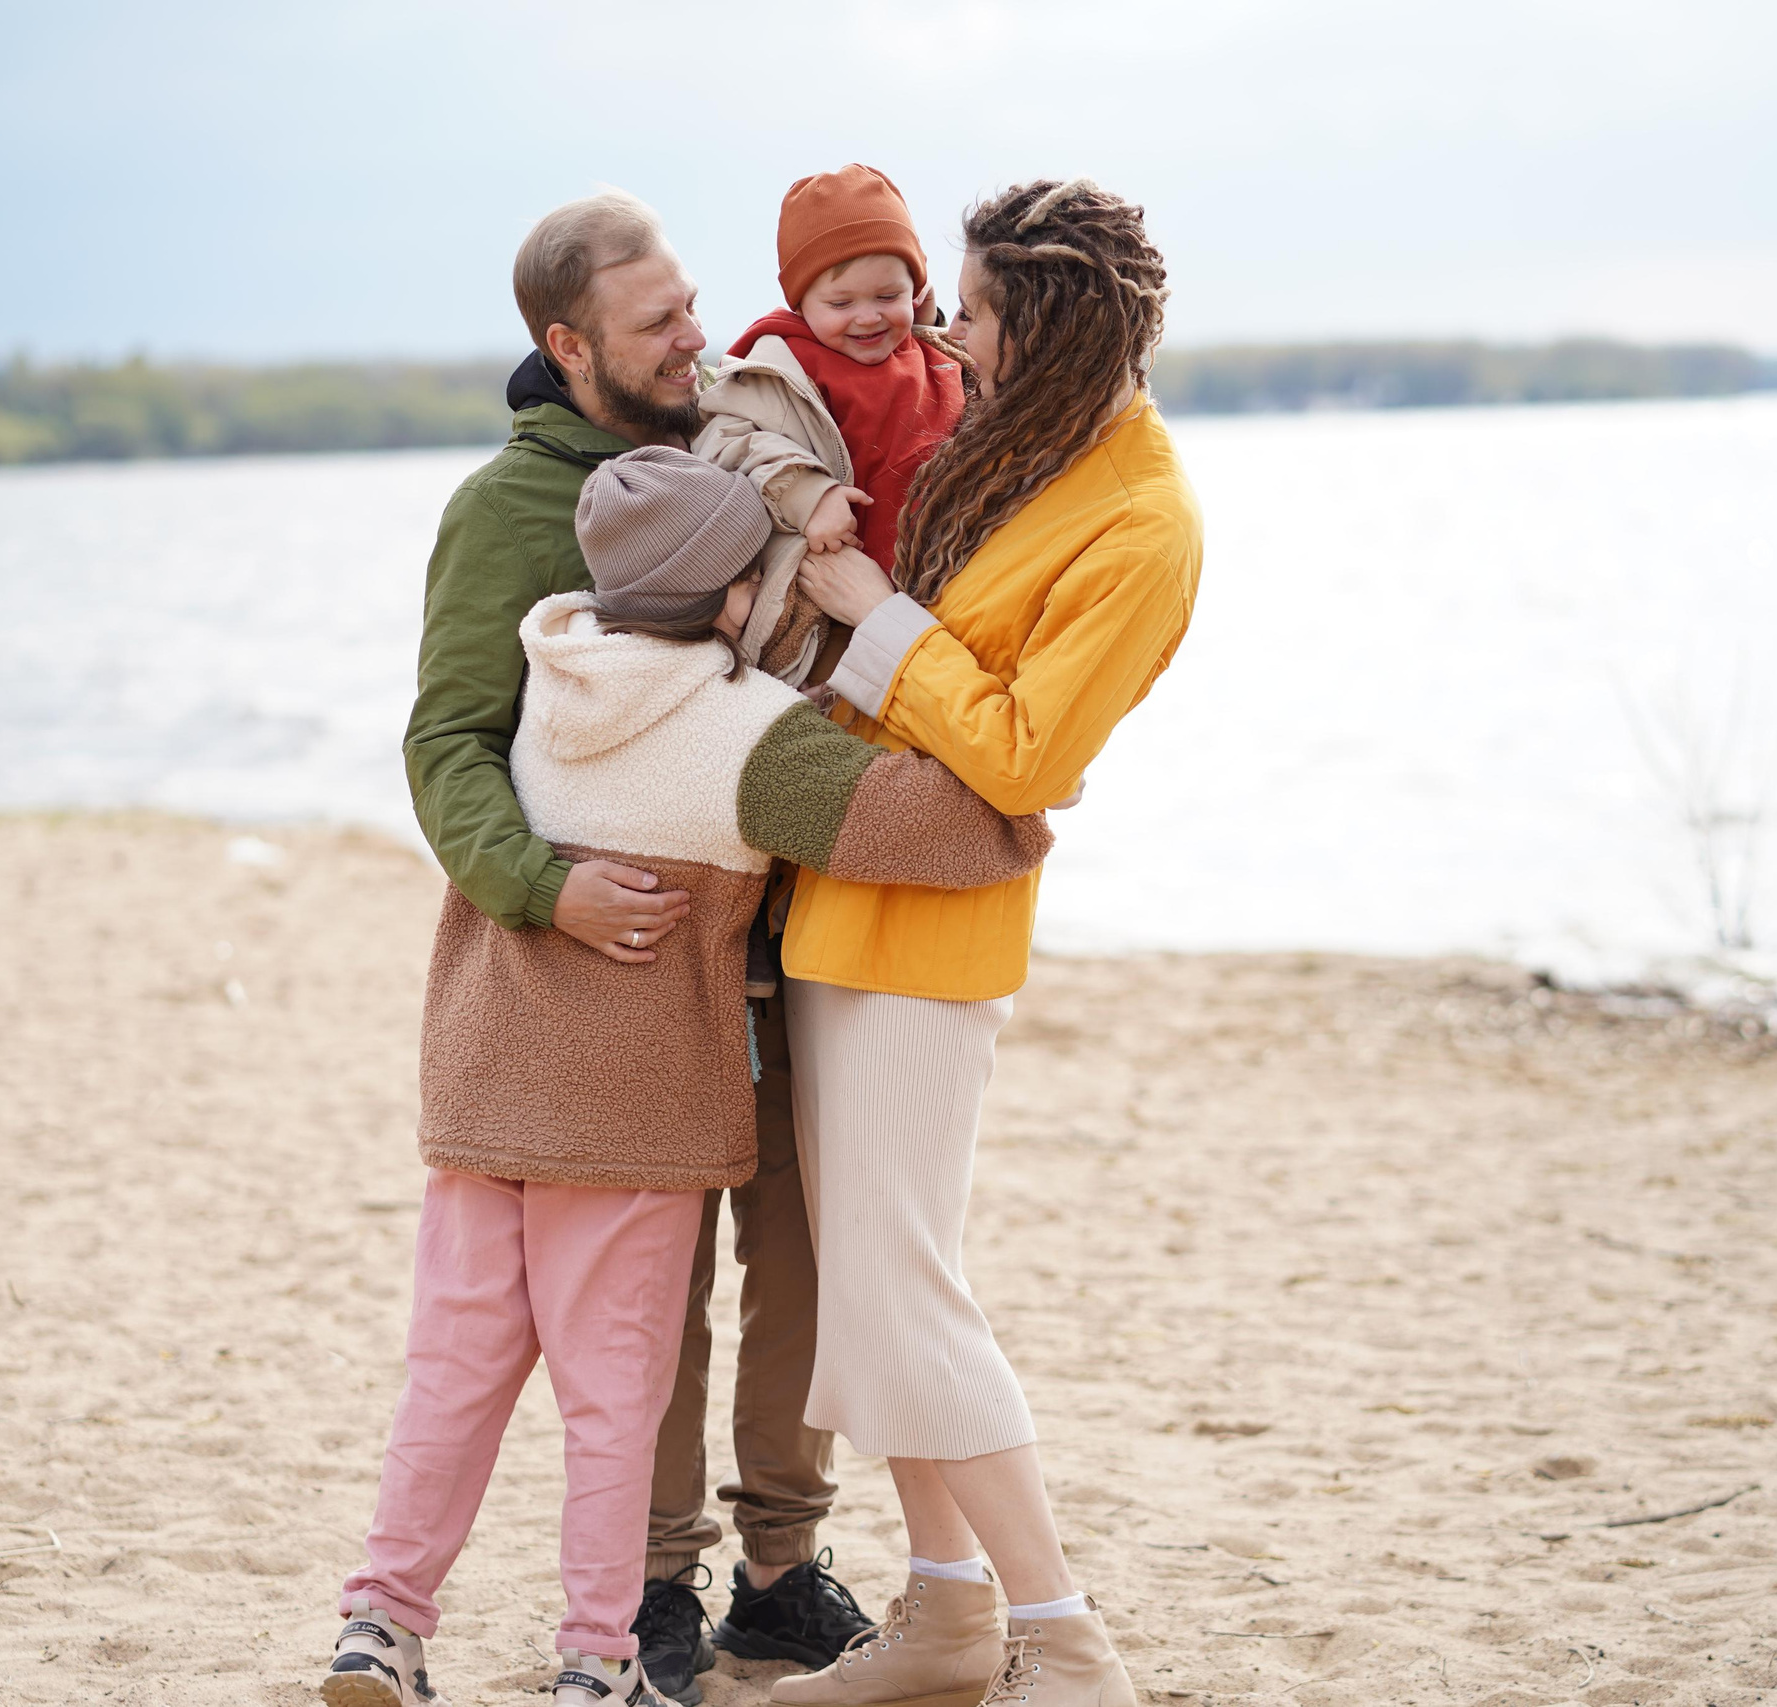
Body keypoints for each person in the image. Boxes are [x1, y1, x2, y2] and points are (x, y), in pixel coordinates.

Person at [325, 446, 1056, 1707]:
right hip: (634, 1115)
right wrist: (1031, 806)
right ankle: (598, 1659)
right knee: (616, 1400)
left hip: (482, 1087)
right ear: (730, 599)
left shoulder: (547, 670)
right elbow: (934, 831)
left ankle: (378, 1626)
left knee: (450, 1377)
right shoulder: (736, 739)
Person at [381, 190, 872, 1707]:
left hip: (789, 943)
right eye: (660, 323)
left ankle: (781, 1572)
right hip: (620, 980)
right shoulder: (509, 511)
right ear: (566, 341)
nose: (697, 338)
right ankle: (654, 1583)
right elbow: (446, 740)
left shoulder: (732, 452)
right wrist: (546, 886)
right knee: (644, 1305)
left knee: (801, 1272)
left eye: (694, 306)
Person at [770, 180, 1202, 1707]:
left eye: (975, 310)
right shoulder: (1006, 443)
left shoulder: (1143, 521)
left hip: (937, 936)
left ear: (1053, 332)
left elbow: (1019, 755)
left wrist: (878, 618)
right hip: (841, 897)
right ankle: (951, 1608)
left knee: (909, 1289)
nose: (947, 330)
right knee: (877, 1282)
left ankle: (1066, 1635)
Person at [694, 164, 966, 688]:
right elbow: (721, 445)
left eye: (889, 296)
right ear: (799, 302)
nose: (867, 317)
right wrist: (806, 494)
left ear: (917, 287)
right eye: (841, 304)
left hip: (940, 601)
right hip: (832, 611)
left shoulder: (935, 358)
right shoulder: (778, 366)